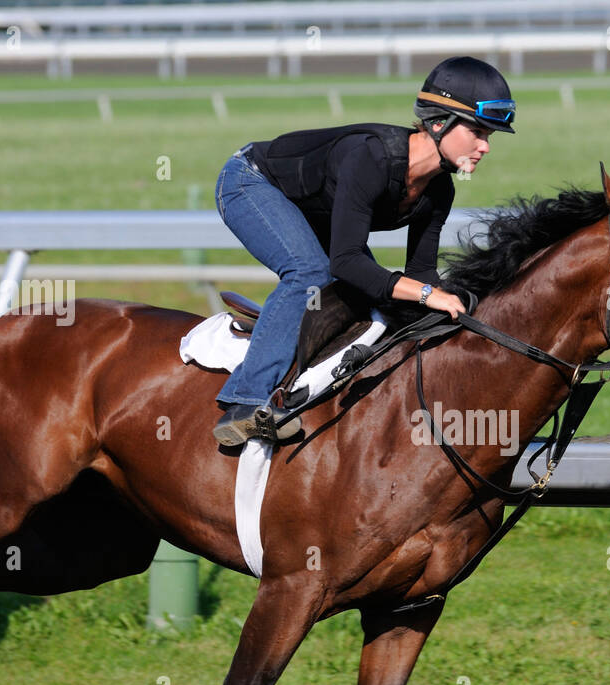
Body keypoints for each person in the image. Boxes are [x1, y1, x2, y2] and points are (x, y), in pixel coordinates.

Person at [211, 55, 517, 447]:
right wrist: (425, 294)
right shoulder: (371, 157)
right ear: (439, 123)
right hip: (251, 183)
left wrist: (462, 304)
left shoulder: (441, 189)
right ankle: (245, 402)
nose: (484, 147)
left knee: (374, 297)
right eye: (478, 132)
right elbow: (346, 261)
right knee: (310, 273)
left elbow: (422, 275)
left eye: (488, 137)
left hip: (311, 206)